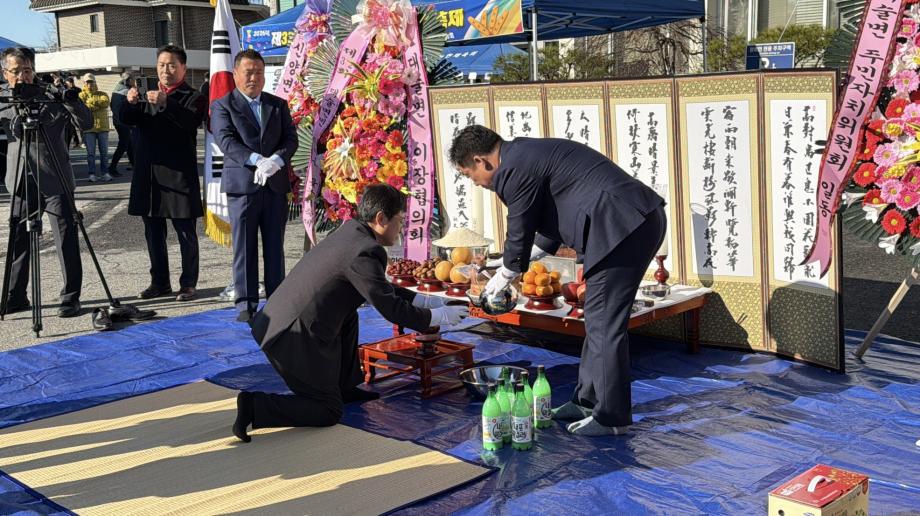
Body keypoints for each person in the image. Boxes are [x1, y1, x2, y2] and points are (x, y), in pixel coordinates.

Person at [449, 125, 666, 436]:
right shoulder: (523, 156)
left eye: (469, 174)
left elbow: (520, 223)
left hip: (622, 225)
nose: (475, 182)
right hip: (626, 223)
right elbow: (550, 214)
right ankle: (588, 401)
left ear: (481, 160)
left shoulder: (513, 168)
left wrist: (506, 273)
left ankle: (611, 417)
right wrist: (528, 256)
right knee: (596, 317)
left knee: (605, 323)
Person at [232, 184, 469, 442]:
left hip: (290, 321)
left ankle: (345, 386)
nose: (401, 229)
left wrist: (426, 301)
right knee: (327, 410)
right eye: (399, 221)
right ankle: (254, 406)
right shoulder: (365, 251)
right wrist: (438, 317)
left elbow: (379, 288)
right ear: (380, 219)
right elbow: (390, 308)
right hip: (290, 335)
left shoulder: (353, 233)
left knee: (349, 308)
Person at [0, 47, 93, 317]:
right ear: (6, 74)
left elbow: (85, 122)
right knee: (18, 241)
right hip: (20, 180)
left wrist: (70, 99)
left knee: (66, 239)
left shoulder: (50, 96)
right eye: (15, 71)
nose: (22, 76)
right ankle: (16, 296)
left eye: (26, 70)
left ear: (34, 71)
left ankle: (70, 297)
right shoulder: (4, 99)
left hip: (56, 179)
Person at [211, 49, 298, 322]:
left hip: (274, 185)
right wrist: (256, 160)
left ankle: (278, 301)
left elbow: (290, 139)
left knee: (275, 246)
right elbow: (226, 141)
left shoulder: (277, 104)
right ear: (236, 74)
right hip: (243, 187)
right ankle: (246, 304)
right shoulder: (223, 105)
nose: (254, 77)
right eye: (248, 72)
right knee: (245, 247)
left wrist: (276, 160)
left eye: (259, 72)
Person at [121, 45, 207, 302]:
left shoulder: (193, 96)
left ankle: (188, 283)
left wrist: (167, 103)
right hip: (149, 173)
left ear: (183, 68)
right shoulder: (147, 93)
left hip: (179, 173)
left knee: (185, 232)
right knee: (153, 232)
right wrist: (130, 102)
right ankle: (159, 281)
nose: (165, 70)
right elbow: (126, 119)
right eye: (161, 65)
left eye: (171, 65)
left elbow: (190, 122)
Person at [78, 73, 112, 182]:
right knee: (90, 153)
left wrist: (90, 103)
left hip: (102, 127)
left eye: (91, 82)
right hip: (88, 128)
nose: (89, 84)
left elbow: (105, 102)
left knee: (104, 153)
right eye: (87, 82)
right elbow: (81, 107)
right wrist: (96, 105)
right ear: (84, 83)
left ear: (95, 82)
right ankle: (91, 174)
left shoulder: (103, 94)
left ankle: (105, 173)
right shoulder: (81, 95)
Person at [108, 71, 135, 177]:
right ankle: (112, 168)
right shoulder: (126, 91)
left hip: (118, 121)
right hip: (123, 122)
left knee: (129, 144)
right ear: (128, 80)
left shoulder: (117, 89)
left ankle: (135, 165)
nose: (134, 81)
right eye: (133, 79)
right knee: (124, 145)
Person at [62, 77, 82, 148]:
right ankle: (75, 141)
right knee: (71, 128)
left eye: (70, 82)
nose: (69, 84)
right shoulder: (65, 90)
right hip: (68, 111)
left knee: (78, 126)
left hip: (75, 110)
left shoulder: (77, 90)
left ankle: (79, 141)